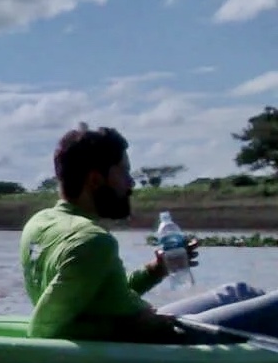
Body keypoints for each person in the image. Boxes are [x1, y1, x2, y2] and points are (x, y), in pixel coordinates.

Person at [20, 123, 278, 343]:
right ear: (95, 180)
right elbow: (43, 329)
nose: (131, 183)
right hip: (158, 341)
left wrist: (156, 270)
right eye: (124, 172)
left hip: (145, 326)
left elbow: (99, 298)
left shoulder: (39, 222)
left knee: (238, 292)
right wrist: (125, 328)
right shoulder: (93, 240)